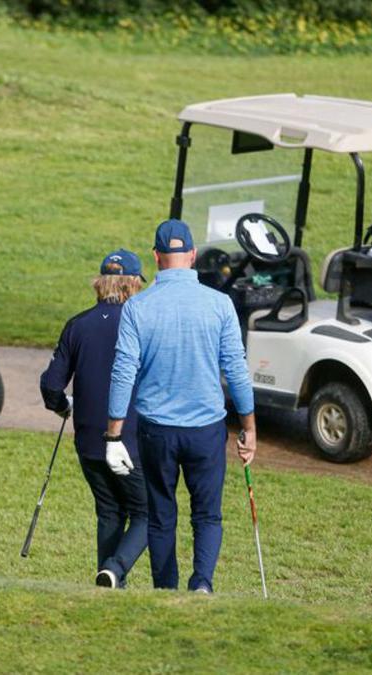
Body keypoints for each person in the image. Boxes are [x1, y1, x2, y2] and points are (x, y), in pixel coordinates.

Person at [104, 219, 256, 593]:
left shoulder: (138, 308)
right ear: (192, 256)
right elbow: (236, 368)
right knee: (207, 514)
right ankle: (201, 584)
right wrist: (250, 427)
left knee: (161, 515)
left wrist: (113, 434)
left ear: (156, 257)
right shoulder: (220, 304)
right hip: (206, 430)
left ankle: (166, 590)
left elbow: (123, 373)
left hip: (157, 430)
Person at [40, 249, 149, 589]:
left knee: (109, 511)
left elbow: (51, 385)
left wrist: (63, 406)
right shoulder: (142, 324)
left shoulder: (78, 325)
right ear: (132, 285)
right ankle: (115, 569)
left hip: (88, 440)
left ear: (101, 283)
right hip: (130, 439)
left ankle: (110, 582)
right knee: (150, 512)